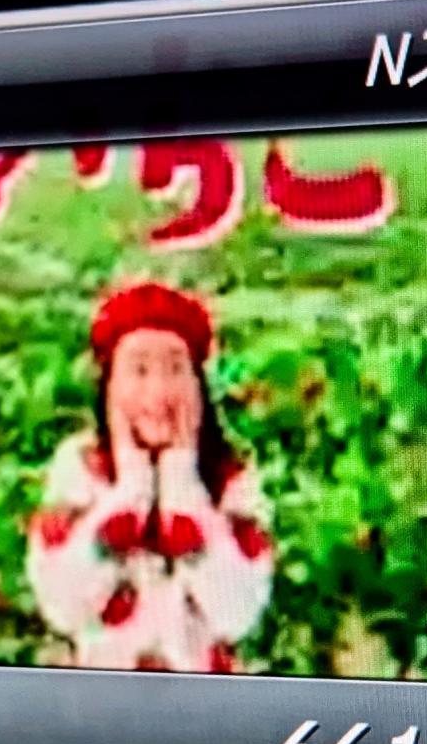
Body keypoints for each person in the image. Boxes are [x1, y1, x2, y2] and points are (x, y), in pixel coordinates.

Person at [28, 280, 275, 671]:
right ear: (109, 386)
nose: (158, 392)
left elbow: (237, 615)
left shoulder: (231, 477)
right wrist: (130, 490)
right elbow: (62, 607)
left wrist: (182, 485)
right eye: (139, 371)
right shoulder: (80, 466)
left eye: (176, 369)